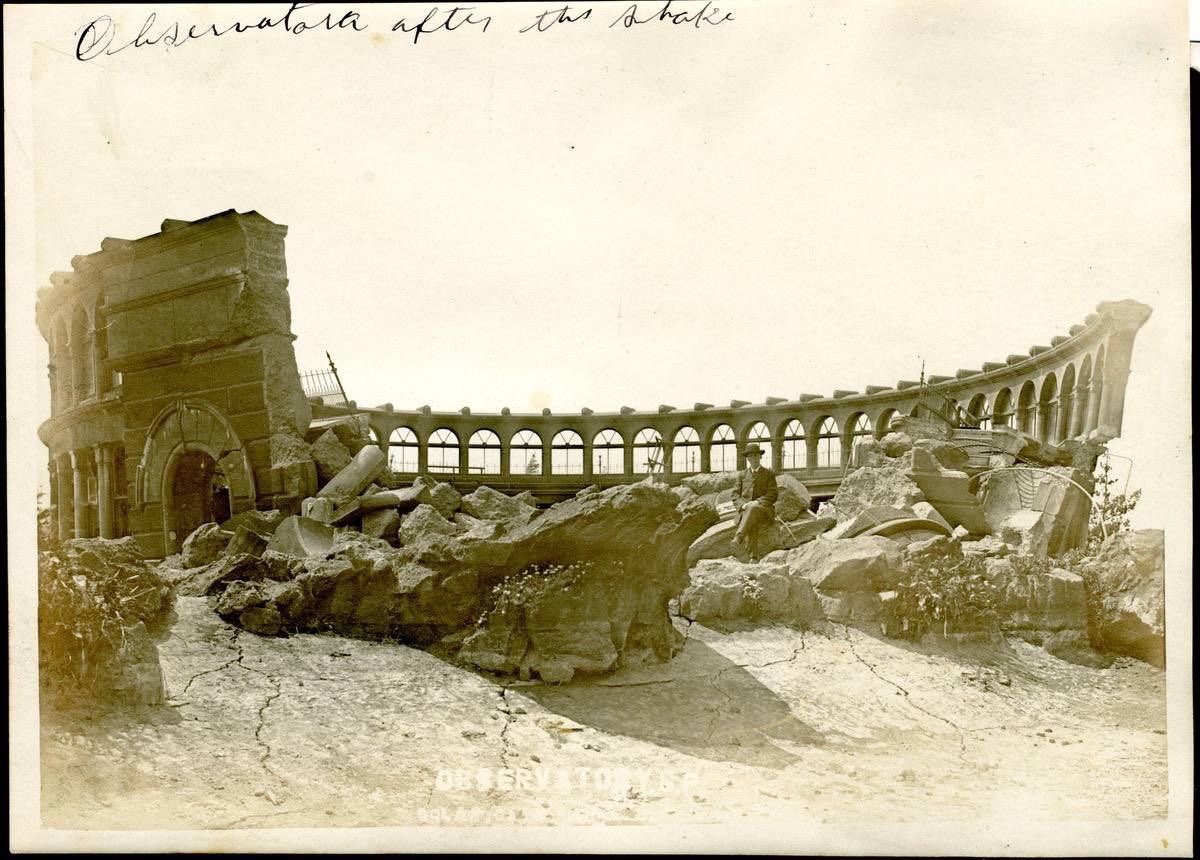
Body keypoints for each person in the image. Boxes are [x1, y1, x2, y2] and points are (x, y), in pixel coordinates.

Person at [731, 443, 777, 561]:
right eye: (751, 457)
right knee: (752, 517)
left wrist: (757, 502)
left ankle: (738, 538)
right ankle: (754, 558)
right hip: (746, 510)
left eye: (756, 456)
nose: (753, 459)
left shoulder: (769, 474)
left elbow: (773, 494)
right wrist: (744, 504)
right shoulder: (742, 475)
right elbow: (735, 495)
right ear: (748, 458)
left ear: (760, 457)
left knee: (754, 509)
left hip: (763, 509)